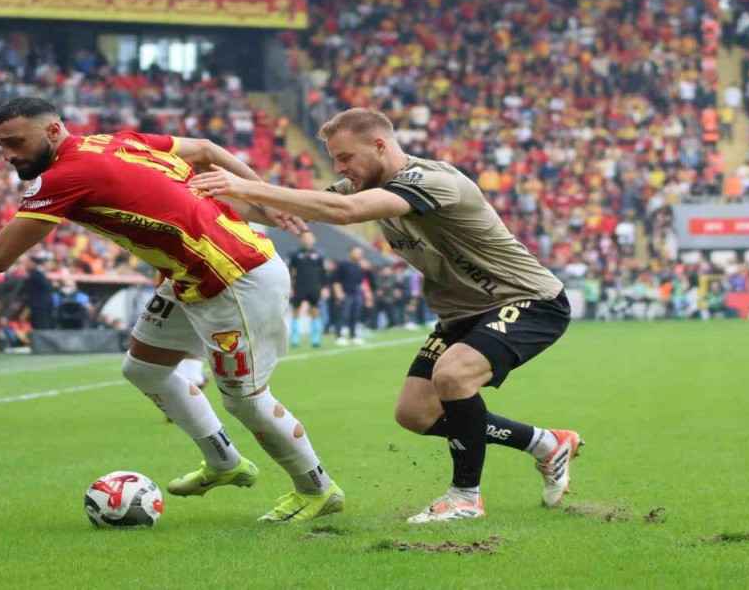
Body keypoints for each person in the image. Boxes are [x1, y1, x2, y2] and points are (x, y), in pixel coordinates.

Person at [0, 97, 344, 523]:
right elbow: (205, 148)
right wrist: (263, 194)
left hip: (235, 278)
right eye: (1, 146)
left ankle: (317, 489)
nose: (9, 155)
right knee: (144, 369)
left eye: (16, 142)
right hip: (192, 277)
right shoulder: (114, 142)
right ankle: (224, 463)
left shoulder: (63, 177)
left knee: (244, 399)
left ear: (54, 132)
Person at [190, 108, 580, 524]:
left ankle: (465, 498)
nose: (339, 168)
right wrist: (197, 192)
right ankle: (544, 443)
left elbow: (345, 212)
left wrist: (242, 182)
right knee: (415, 414)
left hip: (528, 299)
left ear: (380, 145)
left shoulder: (431, 180)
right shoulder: (361, 185)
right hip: (462, 313)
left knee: (453, 376)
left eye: (344, 157)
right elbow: (283, 213)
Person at [287, 232, 328, 348]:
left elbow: (324, 273)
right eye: (305, 238)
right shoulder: (295, 254)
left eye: (309, 238)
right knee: (296, 311)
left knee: (315, 311)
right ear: (301, 239)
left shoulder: (319, 254)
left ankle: (315, 339)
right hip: (299, 287)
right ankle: (295, 339)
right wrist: (290, 287)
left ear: (314, 239)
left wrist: (324, 288)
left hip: (314, 287)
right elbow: (290, 272)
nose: (307, 240)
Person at [332, 246, 366, 346]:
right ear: (350, 252)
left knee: (355, 316)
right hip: (345, 294)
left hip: (356, 294)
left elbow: (360, 282)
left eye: (360, 253)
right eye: (356, 252)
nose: (358, 254)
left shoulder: (359, 266)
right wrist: (338, 292)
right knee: (343, 316)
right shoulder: (342, 264)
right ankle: (339, 336)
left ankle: (353, 336)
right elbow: (336, 280)